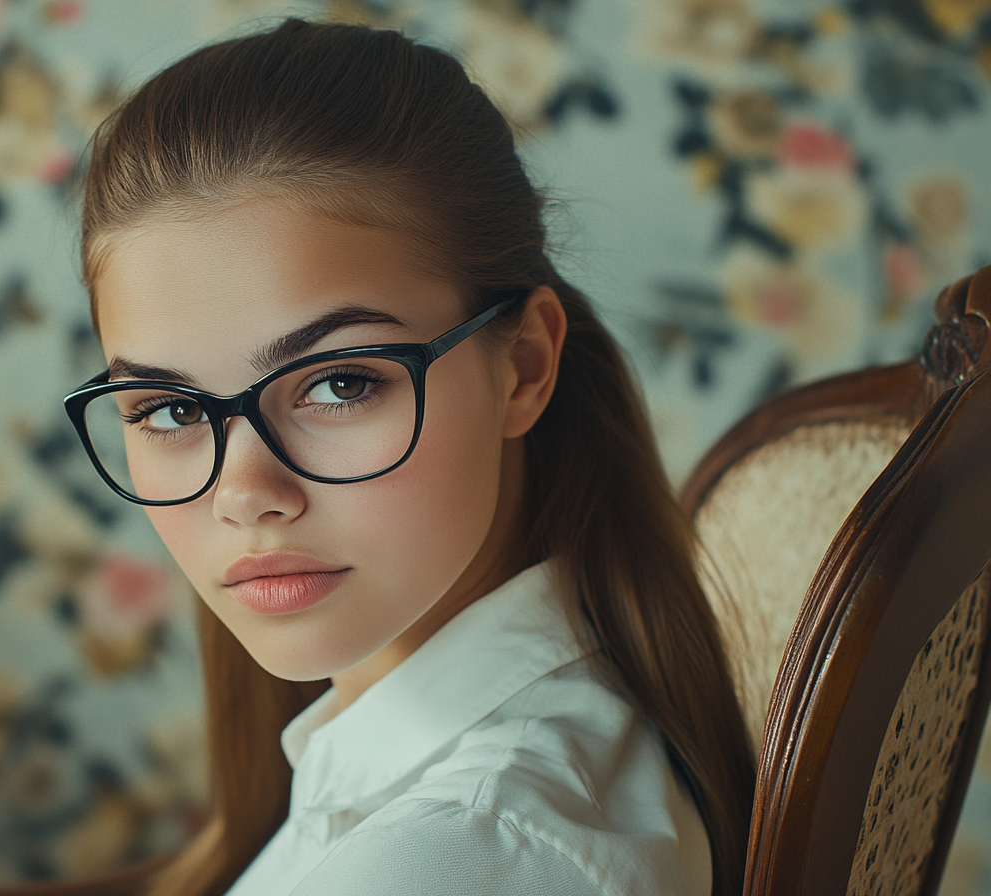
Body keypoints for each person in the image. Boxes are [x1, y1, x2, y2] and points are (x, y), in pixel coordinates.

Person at [64, 17, 755, 896]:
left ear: (525, 365)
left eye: (340, 384)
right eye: (168, 408)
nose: (244, 493)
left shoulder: (470, 850)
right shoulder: (433, 777)